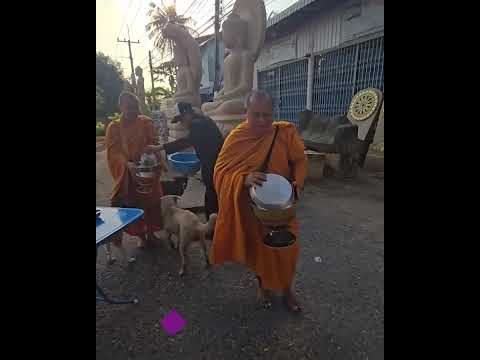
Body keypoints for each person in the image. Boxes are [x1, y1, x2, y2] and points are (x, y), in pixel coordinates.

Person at [209, 90, 307, 312]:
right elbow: (219, 173)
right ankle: (263, 286)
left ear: (274, 114)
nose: (262, 120)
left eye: (267, 114)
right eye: (256, 114)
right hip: (254, 208)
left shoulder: (285, 132)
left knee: (287, 250)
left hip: (283, 208)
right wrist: (243, 179)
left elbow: (300, 160)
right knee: (260, 250)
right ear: (246, 113)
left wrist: (297, 184)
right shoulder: (237, 138)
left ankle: (287, 289)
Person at [105, 91, 164, 252]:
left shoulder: (145, 122)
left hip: (147, 169)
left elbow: (154, 143)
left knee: (153, 203)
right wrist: (127, 165)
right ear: (121, 107)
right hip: (129, 173)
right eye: (129, 108)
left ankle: (152, 233)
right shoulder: (114, 127)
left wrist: (154, 159)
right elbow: (113, 152)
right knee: (134, 204)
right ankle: (141, 236)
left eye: (135, 107)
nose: (133, 111)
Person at [146, 102, 224, 219]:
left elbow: (185, 142)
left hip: (214, 164)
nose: (181, 123)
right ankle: (215, 225)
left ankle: (214, 228)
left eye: (181, 119)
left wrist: (158, 148)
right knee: (213, 194)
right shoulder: (203, 120)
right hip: (214, 162)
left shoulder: (197, 124)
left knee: (212, 197)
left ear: (187, 114)